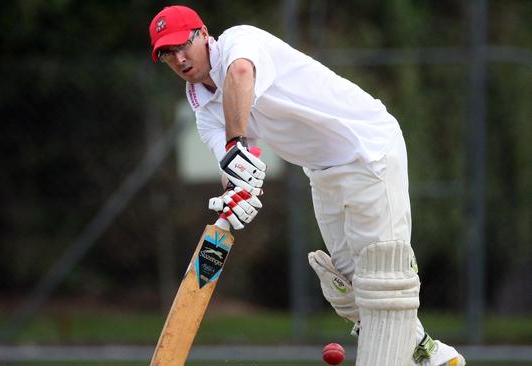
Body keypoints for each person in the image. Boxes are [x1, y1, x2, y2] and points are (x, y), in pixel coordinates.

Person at [148, 5, 465, 366]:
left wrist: (236, 141)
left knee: (382, 280)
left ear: (204, 34)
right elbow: (231, 165)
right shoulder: (203, 109)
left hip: (368, 148)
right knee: (349, 288)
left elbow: (240, 75)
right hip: (322, 170)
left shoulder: (241, 41)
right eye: (167, 54)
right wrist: (237, 192)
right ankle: (429, 353)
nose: (178, 58)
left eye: (182, 45)